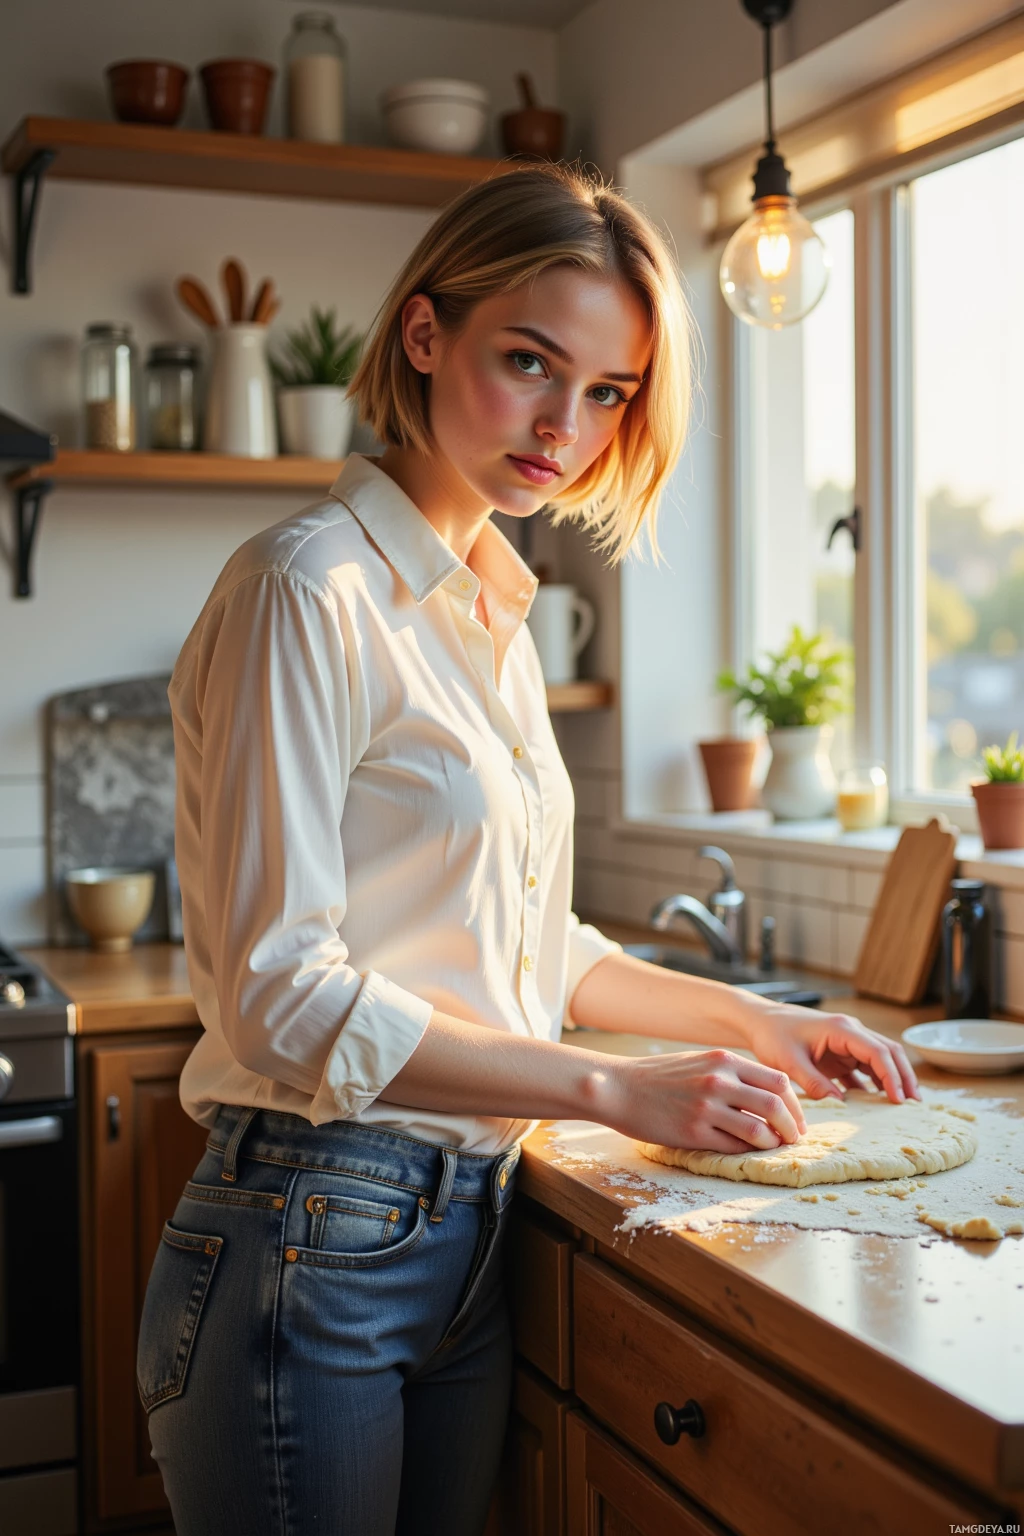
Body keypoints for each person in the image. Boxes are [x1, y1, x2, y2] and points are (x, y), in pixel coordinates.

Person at [136, 161, 919, 1536]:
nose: (567, 426)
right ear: (425, 337)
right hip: (312, 1233)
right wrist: (612, 1094)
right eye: (529, 363)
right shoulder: (303, 590)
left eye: (609, 393)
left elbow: (526, 945)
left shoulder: (488, 610)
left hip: (466, 1227)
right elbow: (278, 991)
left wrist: (755, 1023)